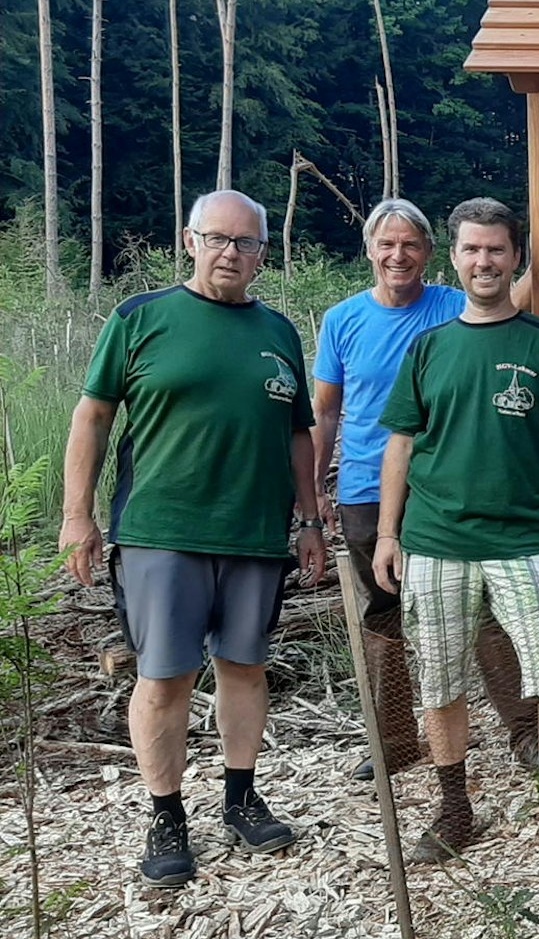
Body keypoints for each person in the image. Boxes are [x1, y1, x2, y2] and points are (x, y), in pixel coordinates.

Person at [60, 190, 325, 887]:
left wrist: (309, 521)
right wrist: (76, 515)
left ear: (264, 254)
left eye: (245, 243)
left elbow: (298, 433)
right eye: (218, 239)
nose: (231, 253)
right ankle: (166, 815)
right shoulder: (141, 319)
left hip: (255, 533)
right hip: (160, 530)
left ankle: (240, 797)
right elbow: (92, 416)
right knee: (165, 674)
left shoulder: (279, 331)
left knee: (244, 666)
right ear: (189, 240)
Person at [371, 198, 539, 863]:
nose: (483, 261)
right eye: (471, 249)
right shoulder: (428, 347)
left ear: (516, 257)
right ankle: (454, 810)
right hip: (434, 544)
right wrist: (386, 535)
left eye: (496, 250)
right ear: (454, 258)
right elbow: (400, 446)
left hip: (524, 540)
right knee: (439, 684)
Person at [311, 198, 539, 781]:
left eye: (410, 244)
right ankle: (395, 741)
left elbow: (519, 290)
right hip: (365, 486)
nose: (398, 255)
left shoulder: (451, 304)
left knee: (484, 606)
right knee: (385, 614)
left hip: (445, 484)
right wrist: (313, 489)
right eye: (386, 244)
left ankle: (525, 734)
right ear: (369, 252)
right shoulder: (343, 320)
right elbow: (327, 412)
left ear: (431, 254)